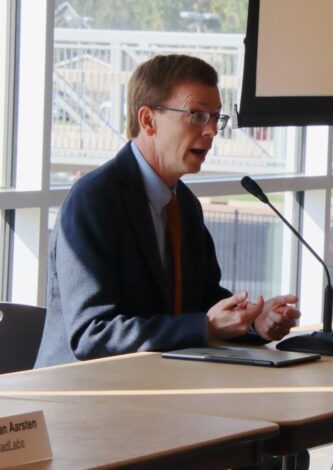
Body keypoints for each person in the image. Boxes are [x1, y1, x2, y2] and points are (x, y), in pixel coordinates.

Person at [36, 54, 301, 368]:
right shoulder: (94, 200)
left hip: (161, 379)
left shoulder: (184, 203)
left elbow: (203, 302)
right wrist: (206, 327)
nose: (212, 131)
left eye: (216, 117)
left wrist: (254, 320)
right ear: (148, 120)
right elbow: (91, 334)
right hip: (82, 388)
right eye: (197, 115)